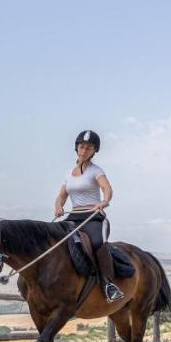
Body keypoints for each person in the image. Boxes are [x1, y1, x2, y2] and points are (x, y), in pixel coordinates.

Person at [53, 130, 123, 303]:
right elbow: (62, 195)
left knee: (98, 243)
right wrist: (58, 206)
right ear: (76, 147)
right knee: (55, 241)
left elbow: (107, 188)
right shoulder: (68, 173)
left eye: (89, 148)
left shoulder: (96, 171)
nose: (84, 150)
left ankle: (108, 285)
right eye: (82, 146)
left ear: (94, 151)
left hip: (93, 216)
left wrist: (104, 201)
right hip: (73, 217)